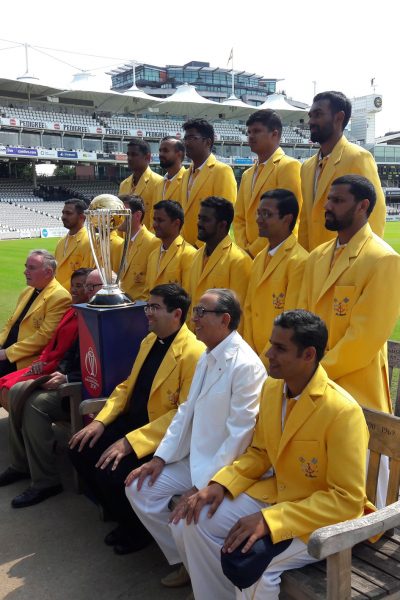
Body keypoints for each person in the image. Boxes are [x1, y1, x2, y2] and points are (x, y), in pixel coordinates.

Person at [173, 310, 373, 600]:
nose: (268, 353)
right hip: (276, 496)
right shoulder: (271, 389)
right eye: (271, 344)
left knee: (255, 568)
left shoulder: (342, 411)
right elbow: (260, 452)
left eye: (280, 348)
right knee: (195, 518)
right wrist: (220, 484)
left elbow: (347, 500)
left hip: (320, 522)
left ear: (308, 355)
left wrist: (270, 520)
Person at [125, 288, 266, 588]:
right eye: (195, 312)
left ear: (225, 319)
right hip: (195, 458)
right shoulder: (208, 354)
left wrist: (203, 486)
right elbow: (186, 410)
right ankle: (190, 564)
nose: (195, 319)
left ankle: (209, 580)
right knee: (140, 488)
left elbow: (240, 436)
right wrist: (160, 458)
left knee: (186, 517)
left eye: (202, 313)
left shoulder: (245, 365)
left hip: (225, 468)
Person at [69, 284, 205, 555]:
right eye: (148, 306)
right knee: (79, 448)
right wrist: (101, 421)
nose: (147, 313)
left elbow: (183, 414)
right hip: (132, 422)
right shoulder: (149, 340)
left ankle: (138, 531)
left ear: (176, 313)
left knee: (111, 470)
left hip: (160, 437)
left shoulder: (194, 353)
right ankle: (120, 515)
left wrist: (130, 442)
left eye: (154, 307)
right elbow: (125, 387)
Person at [298, 174, 400, 414]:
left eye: (338, 200)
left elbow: (363, 341)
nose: (327, 206)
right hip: (310, 388)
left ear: (362, 206)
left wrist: (311, 372)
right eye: (328, 199)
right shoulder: (316, 257)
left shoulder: (383, 260)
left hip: (356, 396)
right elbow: (300, 317)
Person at [0, 269, 99, 508]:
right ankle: (21, 464)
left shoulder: (102, 318)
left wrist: (65, 375)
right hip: (63, 376)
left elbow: (97, 366)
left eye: (91, 287)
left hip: (80, 390)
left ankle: (46, 481)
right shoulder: (80, 312)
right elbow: (67, 352)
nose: (84, 291)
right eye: (84, 286)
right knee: (15, 392)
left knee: (33, 403)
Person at [298, 91, 386, 251]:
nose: (311, 121)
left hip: (347, 262)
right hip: (315, 263)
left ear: (339, 117)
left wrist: (362, 261)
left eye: (318, 115)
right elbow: (305, 219)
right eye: (310, 115)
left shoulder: (358, 157)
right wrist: (305, 259)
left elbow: (375, 214)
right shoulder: (307, 167)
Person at [0, 268, 92, 410]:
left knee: (8, 390)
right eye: (73, 285)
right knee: (3, 384)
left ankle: (20, 431)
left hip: (54, 368)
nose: (73, 290)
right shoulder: (71, 310)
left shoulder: (84, 315)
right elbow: (52, 340)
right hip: (44, 362)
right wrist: (41, 360)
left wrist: (45, 365)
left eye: (79, 286)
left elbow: (53, 343)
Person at [244, 190, 308, 367]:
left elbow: (291, 321)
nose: (258, 219)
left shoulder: (300, 262)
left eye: (266, 214)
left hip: (278, 361)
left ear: (287, 219)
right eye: (259, 213)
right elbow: (248, 308)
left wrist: (262, 361)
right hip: (252, 358)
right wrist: (249, 355)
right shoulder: (258, 259)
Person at [233, 110, 302, 258]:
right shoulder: (247, 174)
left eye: (257, 131)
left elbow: (289, 219)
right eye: (249, 132)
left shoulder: (288, 166)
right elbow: (239, 217)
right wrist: (242, 248)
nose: (251, 136)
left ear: (274, 134)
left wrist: (253, 250)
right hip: (246, 256)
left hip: (275, 254)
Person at [0, 250, 71, 378]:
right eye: (26, 267)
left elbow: (43, 338)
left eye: (31, 268)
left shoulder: (60, 297)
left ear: (48, 272)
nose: (25, 271)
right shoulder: (28, 290)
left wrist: (7, 353)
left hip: (25, 360)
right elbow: (11, 323)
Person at [189, 197, 252, 326]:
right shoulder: (196, 256)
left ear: (222, 225)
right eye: (199, 218)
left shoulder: (239, 261)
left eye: (205, 220)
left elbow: (239, 316)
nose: (199, 223)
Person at [179, 118, 237, 246]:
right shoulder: (185, 175)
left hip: (209, 248)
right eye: (186, 138)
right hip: (185, 249)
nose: (186, 143)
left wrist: (199, 246)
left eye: (192, 138)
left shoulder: (222, 171)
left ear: (207, 142)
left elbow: (225, 215)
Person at [144, 200, 196, 296]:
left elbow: (189, 296)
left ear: (176, 223)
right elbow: (148, 293)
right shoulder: (153, 255)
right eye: (154, 219)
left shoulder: (189, 254)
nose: (154, 224)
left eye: (160, 220)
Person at [118, 195, 160, 300]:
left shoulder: (153, 242)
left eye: (122, 214)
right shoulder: (122, 244)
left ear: (137, 215)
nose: (117, 218)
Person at [119, 139, 163, 230]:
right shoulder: (123, 184)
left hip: (147, 241)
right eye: (128, 155)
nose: (130, 158)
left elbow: (157, 218)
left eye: (134, 154)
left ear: (147, 157)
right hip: (125, 242)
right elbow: (120, 218)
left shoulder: (159, 182)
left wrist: (152, 243)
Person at [54, 199, 93, 290]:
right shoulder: (61, 242)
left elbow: (85, 275)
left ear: (82, 217)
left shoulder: (89, 241)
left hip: (76, 296)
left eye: (68, 213)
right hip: (58, 295)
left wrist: (60, 291)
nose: (63, 217)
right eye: (63, 213)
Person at [155, 136, 186, 202]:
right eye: (160, 151)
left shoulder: (187, 180)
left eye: (165, 151)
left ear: (179, 154)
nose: (161, 154)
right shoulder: (159, 184)